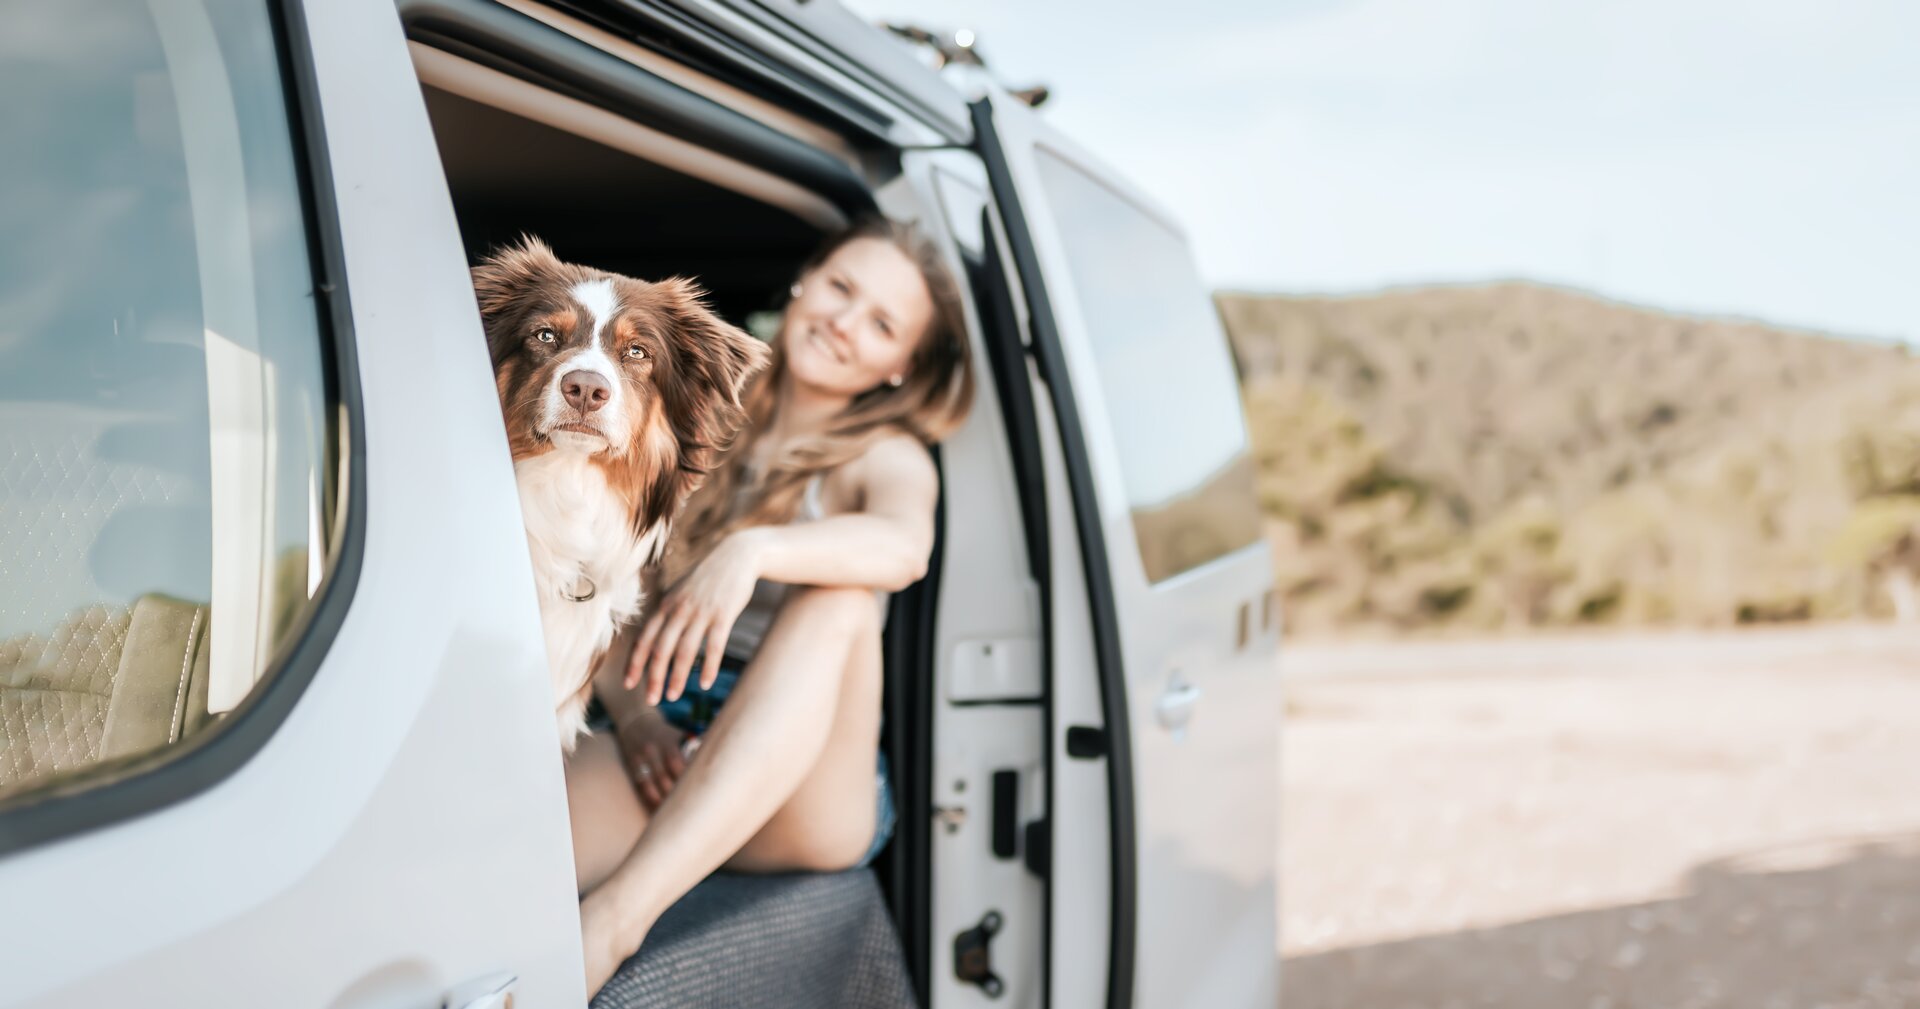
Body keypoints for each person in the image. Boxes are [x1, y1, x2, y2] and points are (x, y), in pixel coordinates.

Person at [564, 217, 976, 995]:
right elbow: (611, 591)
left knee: (844, 600)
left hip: (806, 786)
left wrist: (753, 550)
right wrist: (638, 717)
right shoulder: (695, 407)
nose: (845, 322)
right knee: (508, 837)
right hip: (669, 732)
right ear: (805, 281)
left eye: (882, 323)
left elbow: (903, 546)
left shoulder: (886, 455)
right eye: (841, 288)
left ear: (901, 365)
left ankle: (618, 921)